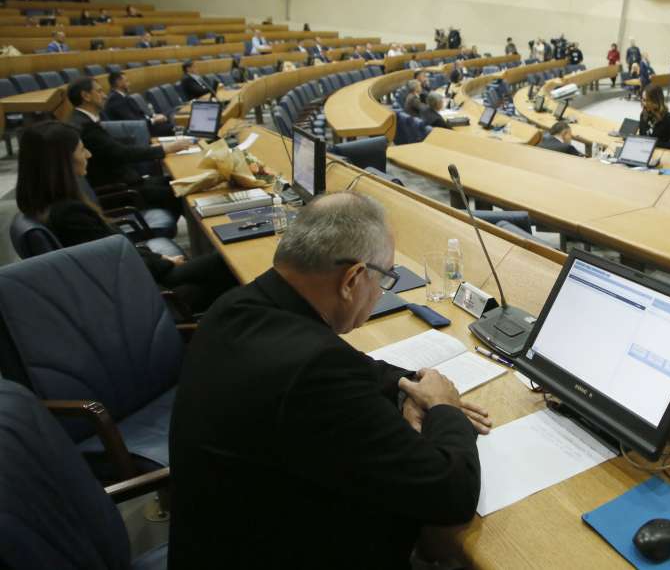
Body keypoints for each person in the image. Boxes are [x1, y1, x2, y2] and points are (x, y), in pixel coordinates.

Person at [168, 192, 485, 568]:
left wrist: (408, 385)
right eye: (385, 278)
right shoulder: (314, 371)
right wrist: (444, 406)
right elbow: (451, 493)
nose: (381, 292)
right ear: (351, 279)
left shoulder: (237, 306)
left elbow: (355, 367)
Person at [16, 121, 237, 313]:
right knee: (230, 261)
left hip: (140, 276)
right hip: (147, 289)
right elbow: (114, 264)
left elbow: (112, 251)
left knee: (223, 259)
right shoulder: (70, 214)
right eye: (82, 150)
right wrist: (163, 262)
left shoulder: (45, 205)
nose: (89, 155)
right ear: (62, 161)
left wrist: (158, 259)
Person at [67, 78, 189, 216]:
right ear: (86, 96)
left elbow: (113, 149)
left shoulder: (84, 120)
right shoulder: (86, 127)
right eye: (99, 91)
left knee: (178, 181)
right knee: (180, 192)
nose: (105, 95)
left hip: (126, 182)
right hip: (121, 190)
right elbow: (120, 153)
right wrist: (165, 149)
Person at [103, 71, 174, 136]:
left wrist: (153, 116)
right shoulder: (115, 100)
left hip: (145, 126)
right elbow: (132, 121)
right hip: (140, 132)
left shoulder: (121, 97)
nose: (129, 84)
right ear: (119, 82)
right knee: (174, 127)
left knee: (169, 120)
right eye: (127, 81)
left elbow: (139, 113)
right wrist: (154, 120)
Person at [638, 84, 670, 150]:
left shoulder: (668, 118)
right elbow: (642, 136)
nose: (645, 103)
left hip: (660, 153)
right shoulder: (643, 114)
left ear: (657, 100)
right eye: (643, 100)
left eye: (648, 100)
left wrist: (654, 144)